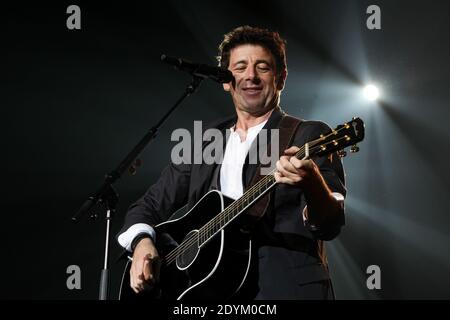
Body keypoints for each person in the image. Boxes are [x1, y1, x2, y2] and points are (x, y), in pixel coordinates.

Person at [117, 26, 346, 299]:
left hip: (283, 290)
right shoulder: (205, 141)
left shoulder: (307, 134)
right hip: (208, 295)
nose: (251, 76)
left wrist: (313, 183)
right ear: (226, 80)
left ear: (281, 78)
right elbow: (149, 206)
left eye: (262, 67)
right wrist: (142, 242)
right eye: (240, 67)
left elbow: (331, 223)